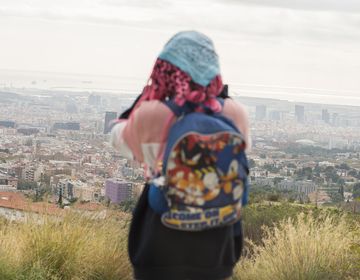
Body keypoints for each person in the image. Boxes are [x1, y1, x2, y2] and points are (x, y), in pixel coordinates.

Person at [111, 30, 250, 280]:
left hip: (161, 231)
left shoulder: (152, 114)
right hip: (218, 239)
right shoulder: (234, 113)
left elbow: (119, 140)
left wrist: (141, 102)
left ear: (164, 69)